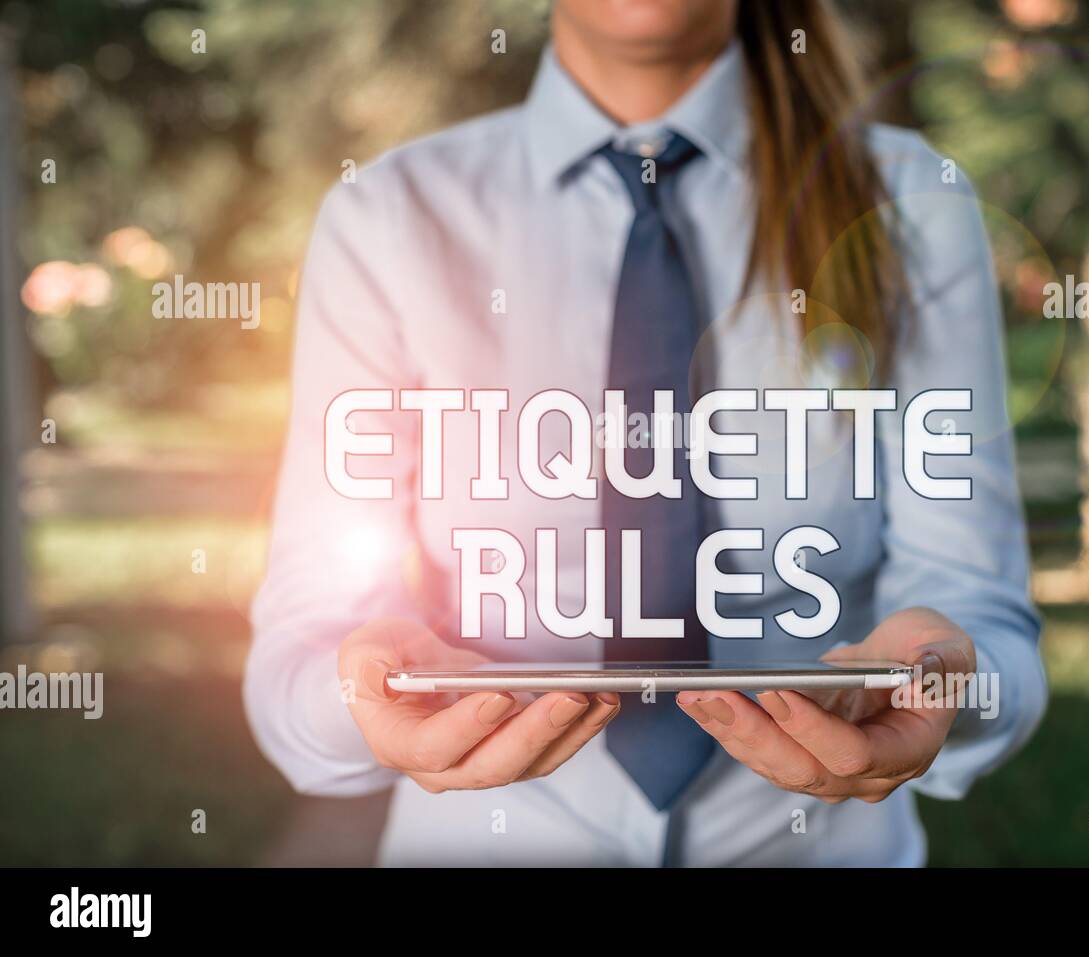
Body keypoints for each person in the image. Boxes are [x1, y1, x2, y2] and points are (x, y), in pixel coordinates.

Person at [244, 0, 1048, 866]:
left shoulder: (908, 205)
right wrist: (366, 694)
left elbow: (982, 617)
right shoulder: (390, 216)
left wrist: (936, 681)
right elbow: (304, 644)